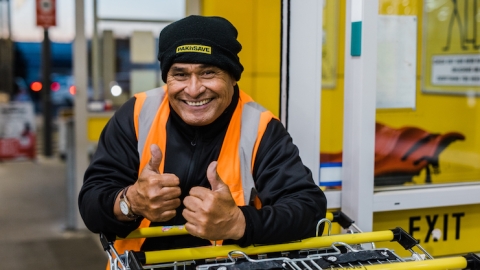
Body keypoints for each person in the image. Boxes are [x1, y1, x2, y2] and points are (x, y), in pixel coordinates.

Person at [78, 15, 327, 258]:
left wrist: (239, 223)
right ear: (167, 77)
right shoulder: (136, 114)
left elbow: (308, 208)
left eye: (208, 73)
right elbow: (91, 205)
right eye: (181, 74)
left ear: (232, 76)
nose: (194, 89)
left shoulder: (260, 127)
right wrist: (130, 202)